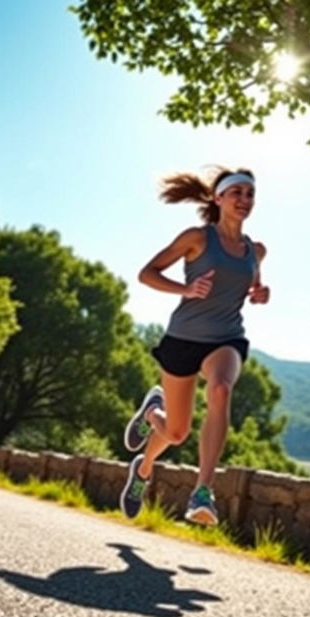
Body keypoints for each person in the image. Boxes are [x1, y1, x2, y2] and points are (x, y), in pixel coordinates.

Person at [119, 167, 270, 526]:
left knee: (220, 390)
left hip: (227, 337)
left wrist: (260, 293)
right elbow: (148, 273)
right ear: (218, 198)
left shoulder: (256, 250)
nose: (244, 200)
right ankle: (145, 457)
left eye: (250, 194)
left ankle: (203, 491)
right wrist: (184, 289)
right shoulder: (198, 238)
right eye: (237, 193)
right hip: (184, 338)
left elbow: (252, 284)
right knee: (175, 432)